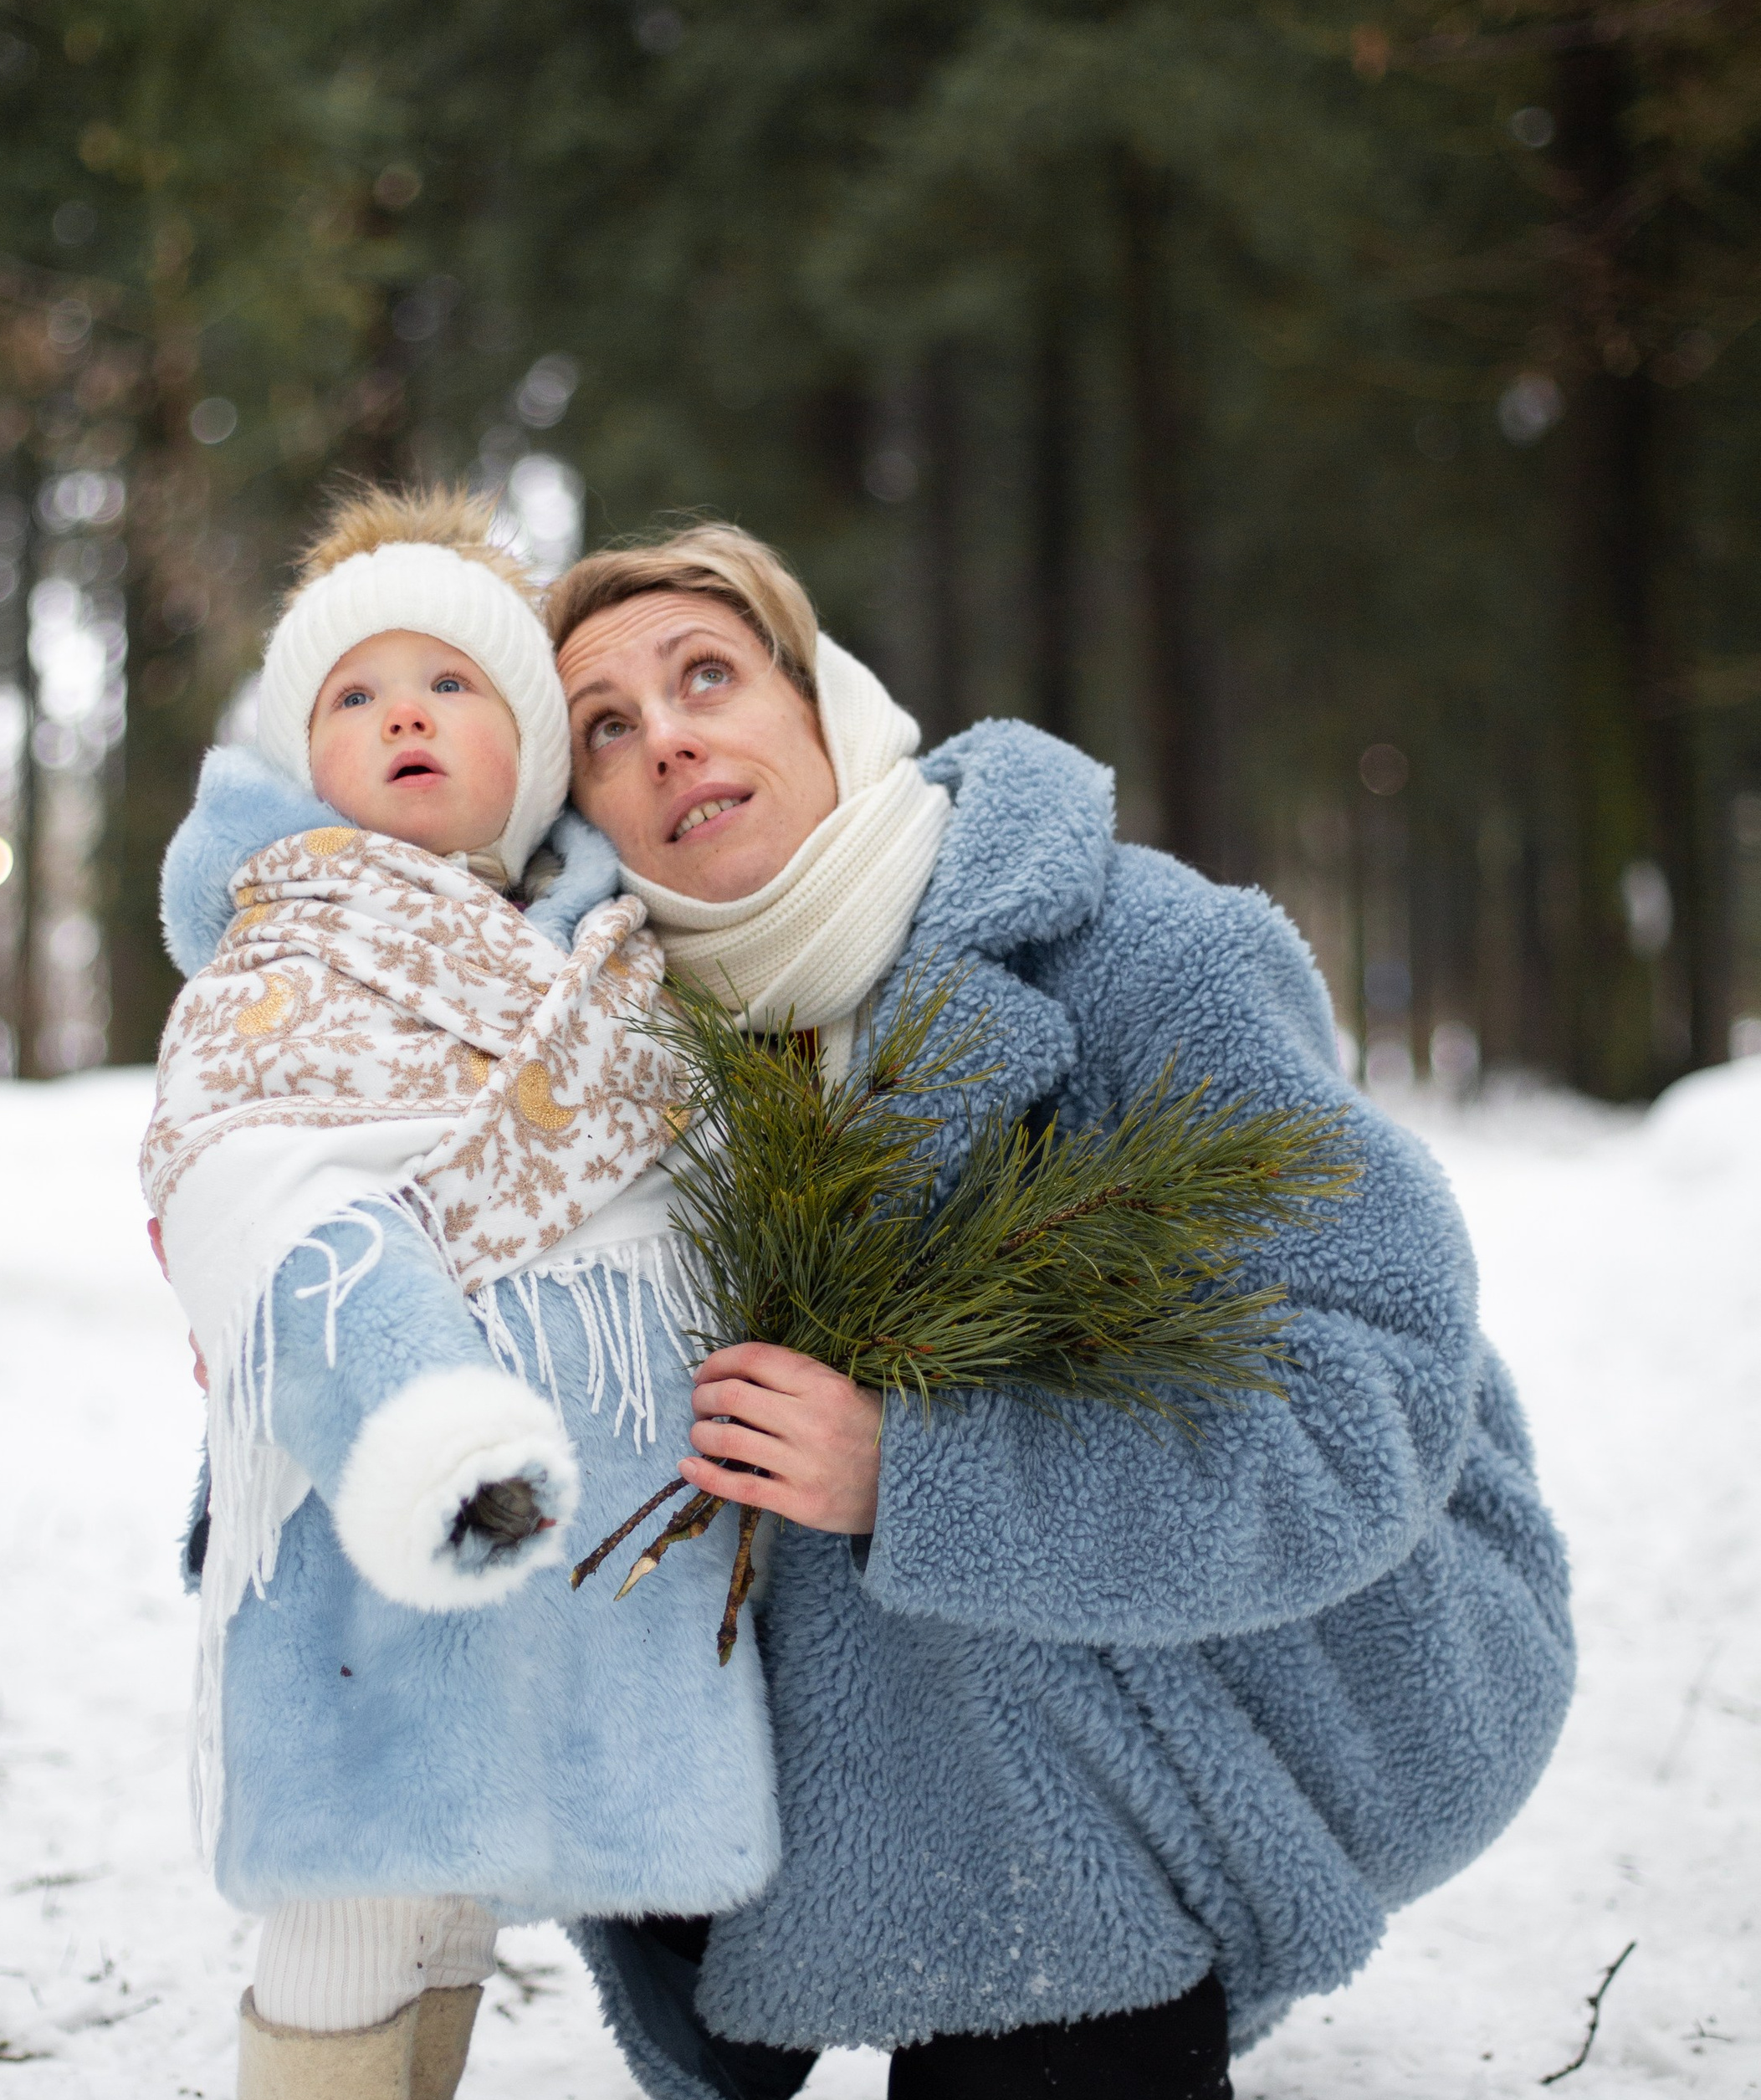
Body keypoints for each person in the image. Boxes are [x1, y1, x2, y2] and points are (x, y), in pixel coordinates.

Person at [545, 524, 1575, 2100]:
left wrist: (924, 1476)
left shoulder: (1138, 948)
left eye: (708, 675)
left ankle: (1082, 1979)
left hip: (1298, 1663)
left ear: (823, 703)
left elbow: (1371, 1385)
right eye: (605, 728)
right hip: (894, 1748)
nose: (667, 735)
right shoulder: (604, 1069)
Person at [142, 489, 779, 2100]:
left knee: (458, 1886)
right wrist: (415, 1395)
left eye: (452, 683)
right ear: (310, 755)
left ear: (541, 756)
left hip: (590, 1539)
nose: (402, 711)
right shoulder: (283, 955)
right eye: (353, 694)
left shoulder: (613, 965)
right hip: (378, 1504)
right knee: (366, 1887)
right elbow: (261, 1189)